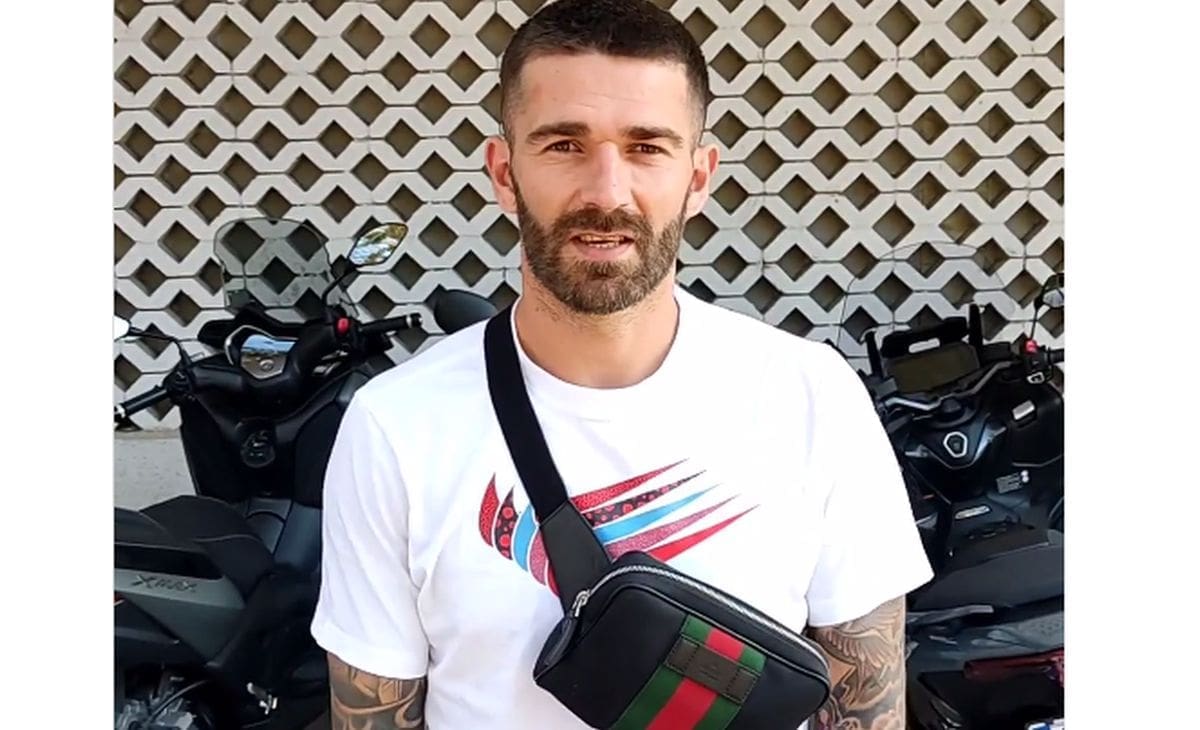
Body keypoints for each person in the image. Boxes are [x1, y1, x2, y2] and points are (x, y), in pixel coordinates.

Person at [309, 0, 932, 728]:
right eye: (564, 145)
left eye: (646, 148)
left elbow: (866, 703)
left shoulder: (810, 396)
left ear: (697, 178)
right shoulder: (396, 425)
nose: (606, 193)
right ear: (504, 173)